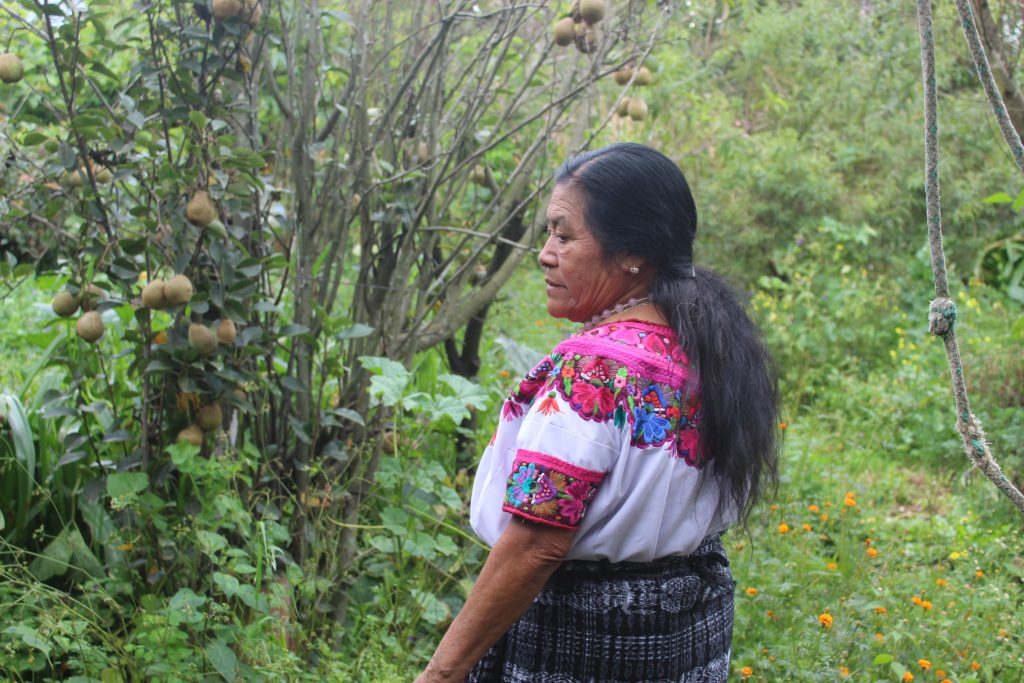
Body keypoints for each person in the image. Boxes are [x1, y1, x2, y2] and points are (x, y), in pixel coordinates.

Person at [415, 142, 780, 683]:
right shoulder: (707, 346)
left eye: (564, 235)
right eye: (548, 234)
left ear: (632, 251)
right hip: (684, 631)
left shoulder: (595, 369)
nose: (545, 252)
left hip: (586, 643)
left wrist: (441, 673)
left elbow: (538, 542)